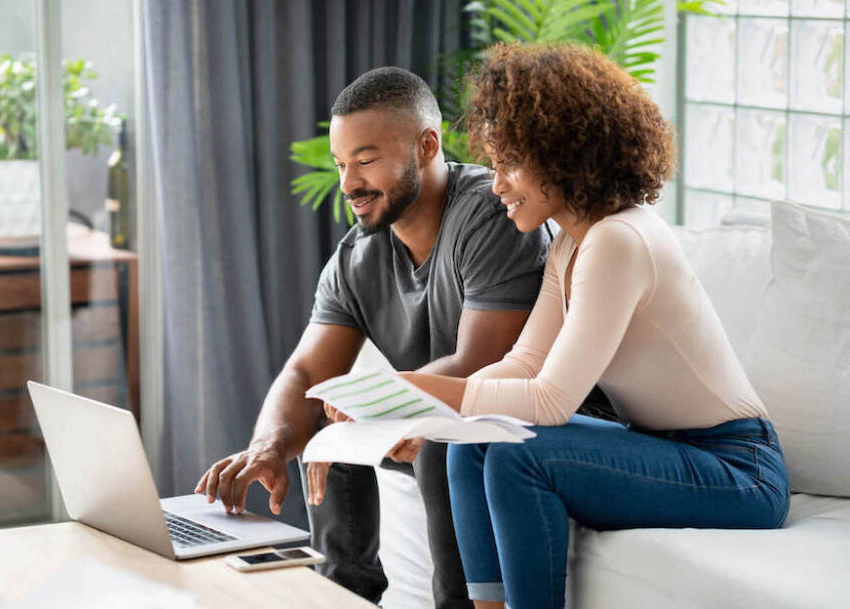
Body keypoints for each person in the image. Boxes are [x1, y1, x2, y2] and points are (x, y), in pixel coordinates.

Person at [392, 43, 792, 609]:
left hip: (739, 469)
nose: (496, 182)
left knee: (517, 454)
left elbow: (552, 400)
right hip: (669, 447)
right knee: (474, 441)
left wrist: (421, 392)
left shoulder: (618, 240)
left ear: (562, 154)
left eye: (510, 163)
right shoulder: (573, 244)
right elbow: (525, 365)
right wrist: (438, 406)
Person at [195, 66, 554, 607]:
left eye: (365, 160)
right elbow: (307, 373)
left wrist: (375, 407)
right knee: (324, 419)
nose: (348, 184)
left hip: (521, 419)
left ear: (427, 146)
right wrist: (269, 446)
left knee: (437, 443)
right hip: (428, 418)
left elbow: (484, 364)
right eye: (341, 164)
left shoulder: (489, 213)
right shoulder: (357, 257)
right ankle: (345, 596)